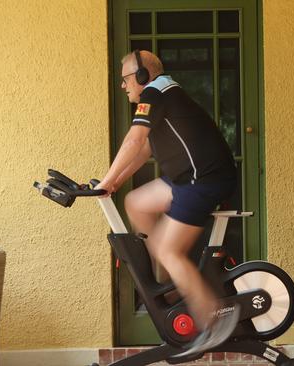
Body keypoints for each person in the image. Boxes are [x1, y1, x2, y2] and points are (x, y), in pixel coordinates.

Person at [95, 50, 239, 356]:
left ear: (142, 75)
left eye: (125, 79)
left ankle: (214, 322)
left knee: (168, 249)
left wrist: (106, 180)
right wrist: (116, 184)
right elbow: (144, 149)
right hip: (185, 179)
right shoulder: (163, 94)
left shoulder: (155, 91)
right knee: (136, 203)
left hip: (204, 180)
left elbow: (133, 141)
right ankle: (174, 288)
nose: (124, 86)